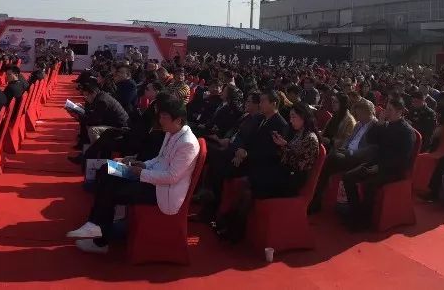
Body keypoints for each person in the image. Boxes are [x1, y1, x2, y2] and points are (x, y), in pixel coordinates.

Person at [68, 98, 201, 254]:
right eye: (160, 116)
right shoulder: (172, 133)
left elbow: (172, 177)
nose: (160, 120)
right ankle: (95, 223)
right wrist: (142, 164)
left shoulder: (187, 143)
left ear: (178, 120)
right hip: (151, 178)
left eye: (164, 117)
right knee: (108, 169)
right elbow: (160, 159)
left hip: (162, 192)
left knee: (111, 189)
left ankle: (100, 240)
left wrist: (141, 172)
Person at [213, 101, 320, 242]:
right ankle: (229, 223)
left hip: (293, 180)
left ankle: (234, 231)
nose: (291, 120)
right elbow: (287, 156)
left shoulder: (310, 138)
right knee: (248, 183)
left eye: (294, 117)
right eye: (290, 117)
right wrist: (282, 145)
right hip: (284, 173)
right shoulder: (299, 133)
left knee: (250, 187)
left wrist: (285, 146)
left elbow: (299, 165)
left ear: (303, 117)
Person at [341, 98, 415, 230]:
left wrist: (380, 167)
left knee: (369, 183)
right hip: (377, 163)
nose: (387, 112)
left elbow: (402, 159)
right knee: (348, 177)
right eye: (386, 109)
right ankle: (356, 212)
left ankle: (364, 221)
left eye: (390, 110)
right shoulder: (385, 125)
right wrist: (379, 124)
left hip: (393, 169)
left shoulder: (406, 131)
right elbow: (371, 139)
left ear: (400, 111)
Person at [72, 80, 129, 151]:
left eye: (86, 95)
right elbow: (95, 114)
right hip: (113, 122)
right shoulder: (100, 96)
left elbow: (94, 120)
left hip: (120, 127)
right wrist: (82, 109)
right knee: (86, 124)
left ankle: (96, 153)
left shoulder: (102, 101)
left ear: (93, 93)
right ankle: (86, 150)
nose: (85, 98)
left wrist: (78, 116)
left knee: (93, 130)